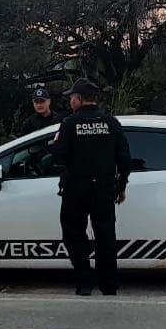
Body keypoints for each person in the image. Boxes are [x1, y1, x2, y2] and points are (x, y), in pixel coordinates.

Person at [51, 78, 131, 296]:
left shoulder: (69, 124)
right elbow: (124, 158)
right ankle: (109, 285)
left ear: (78, 99)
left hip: (76, 187)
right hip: (105, 187)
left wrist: (57, 143)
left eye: (71, 97)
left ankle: (84, 282)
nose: (70, 101)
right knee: (106, 235)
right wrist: (122, 185)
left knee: (74, 233)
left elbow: (59, 157)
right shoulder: (111, 122)